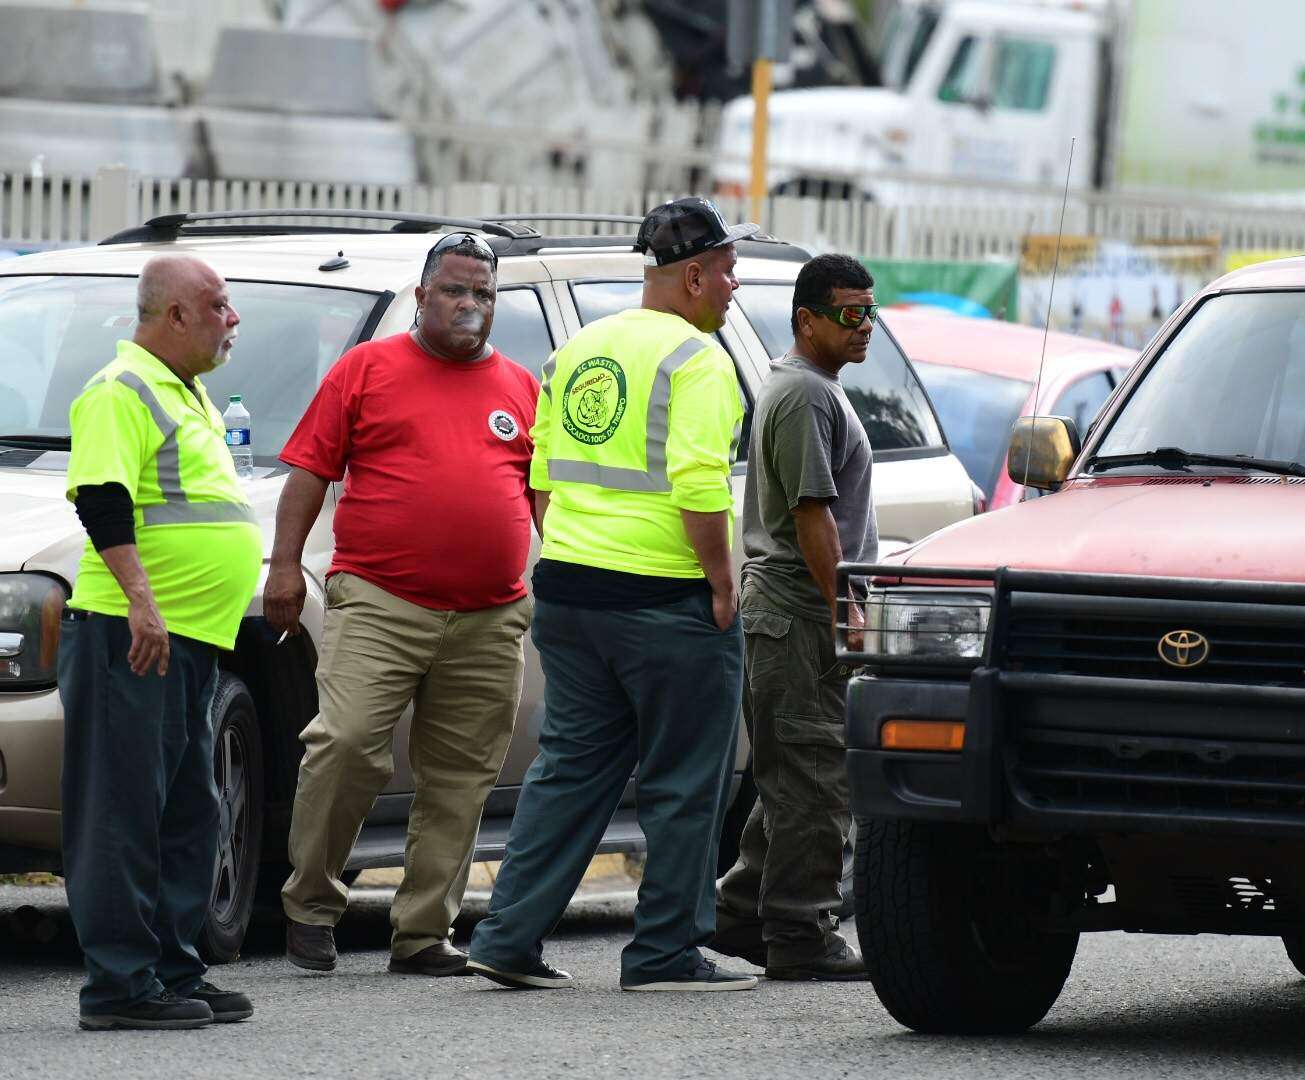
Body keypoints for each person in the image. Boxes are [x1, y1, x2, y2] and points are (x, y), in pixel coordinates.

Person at [467, 197, 755, 993]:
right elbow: (699, 486)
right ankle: (664, 952)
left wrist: (578, 554)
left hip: (570, 590)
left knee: (570, 771)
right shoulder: (699, 362)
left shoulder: (577, 351)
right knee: (685, 779)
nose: (733, 286)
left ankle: (506, 937)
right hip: (665, 599)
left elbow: (542, 476)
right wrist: (721, 582)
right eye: (727, 271)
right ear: (692, 277)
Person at [266, 232, 540, 976]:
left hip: (490, 614)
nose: (469, 304)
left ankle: (422, 933)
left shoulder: (521, 387)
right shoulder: (366, 368)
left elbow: (542, 497)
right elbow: (308, 472)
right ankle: (310, 905)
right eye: (454, 290)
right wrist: (285, 565)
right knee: (346, 743)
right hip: (380, 600)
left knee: (462, 774)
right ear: (422, 296)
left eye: (482, 293)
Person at [60, 254, 260, 1030]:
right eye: (219, 305)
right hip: (133, 635)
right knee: (121, 813)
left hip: (189, 638)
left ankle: (174, 969)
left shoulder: (187, 392)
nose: (232, 320)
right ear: (175, 315)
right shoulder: (122, 389)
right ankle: (118, 986)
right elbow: (102, 499)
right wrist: (142, 602)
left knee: (187, 810)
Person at [710, 254, 878, 981]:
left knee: (793, 775)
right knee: (815, 778)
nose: (864, 325)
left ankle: (744, 913)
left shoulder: (814, 387)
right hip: (799, 610)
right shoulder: (805, 393)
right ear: (807, 320)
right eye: (849, 313)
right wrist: (846, 609)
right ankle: (800, 933)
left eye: (870, 311)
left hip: (796, 610)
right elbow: (813, 516)